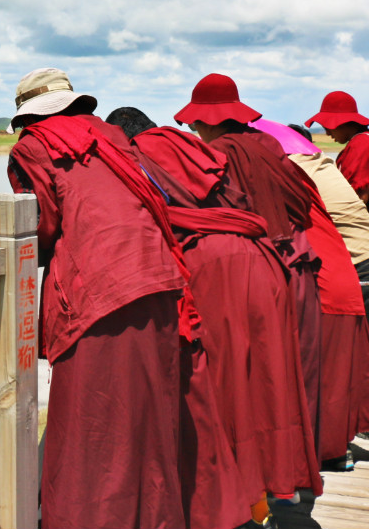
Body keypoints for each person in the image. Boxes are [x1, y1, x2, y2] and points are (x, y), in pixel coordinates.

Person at [108, 107, 321, 521]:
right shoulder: (199, 147)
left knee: (219, 389)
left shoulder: (141, 154)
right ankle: (266, 497)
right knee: (263, 382)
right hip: (260, 259)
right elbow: (297, 203)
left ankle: (232, 505)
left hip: (213, 266)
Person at [175, 75, 369, 473]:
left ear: (204, 121)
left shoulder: (220, 154)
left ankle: (271, 473)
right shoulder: (270, 148)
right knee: (310, 372)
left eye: (194, 124)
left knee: (267, 378)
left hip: (276, 270)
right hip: (310, 264)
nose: (193, 131)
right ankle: (305, 466)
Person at [5, 69, 193, 529]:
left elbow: (41, 227)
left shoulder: (32, 146)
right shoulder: (110, 134)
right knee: (150, 418)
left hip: (99, 292)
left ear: (28, 114)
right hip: (159, 277)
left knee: (90, 423)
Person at [257, 120, 369, 443]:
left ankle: (347, 430)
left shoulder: (294, 172)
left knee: (346, 348)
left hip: (362, 265)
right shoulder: (323, 164)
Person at [307, 91, 369, 241]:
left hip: (364, 237)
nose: (327, 132)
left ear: (341, 122)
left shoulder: (362, 145)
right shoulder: (363, 141)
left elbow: (360, 198)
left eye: (327, 126)